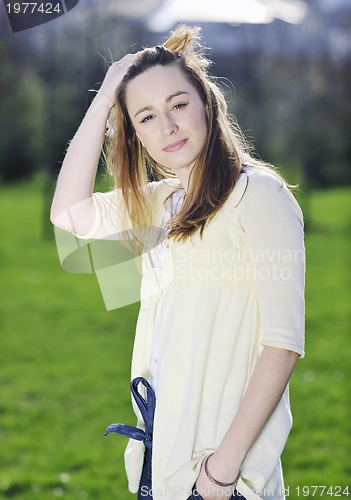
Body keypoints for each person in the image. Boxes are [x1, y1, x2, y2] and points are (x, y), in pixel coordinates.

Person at [50, 25, 305, 500]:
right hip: (159, 463)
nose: (166, 127)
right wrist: (106, 92)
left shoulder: (258, 195)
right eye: (145, 117)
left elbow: (283, 345)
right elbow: (69, 215)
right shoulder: (161, 202)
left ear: (206, 103)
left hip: (221, 479)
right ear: (134, 133)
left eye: (178, 104)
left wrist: (220, 474)